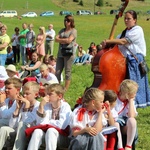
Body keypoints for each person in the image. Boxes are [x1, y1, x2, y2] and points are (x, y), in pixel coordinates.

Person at [100, 10, 150, 108]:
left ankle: (138, 103)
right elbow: (117, 41)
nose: (126, 20)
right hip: (125, 61)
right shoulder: (125, 31)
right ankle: (126, 102)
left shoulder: (137, 29)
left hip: (135, 60)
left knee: (134, 82)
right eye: (125, 18)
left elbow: (123, 41)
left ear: (135, 20)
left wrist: (109, 40)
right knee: (127, 83)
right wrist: (106, 44)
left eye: (129, 19)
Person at [26, 83, 72, 150]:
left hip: (63, 137)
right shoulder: (46, 105)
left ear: (60, 96)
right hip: (48, 135)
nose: (47, 96)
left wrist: (48, 123)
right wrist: (41, 106)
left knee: (51, 130)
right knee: (37, 131)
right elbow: (40, 123)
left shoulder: (65, 106)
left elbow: (61, 125)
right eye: (47, 94)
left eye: (50, 94)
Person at [0, 81, 40, 150]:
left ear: (36, 95)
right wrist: (17, 109)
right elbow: (12, 125)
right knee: (4, 129)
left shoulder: (38, 106)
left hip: (31, 134)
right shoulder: (22, 104)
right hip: (18, 132)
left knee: (22, 124)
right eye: (24, 93)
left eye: (27, 94)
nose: (24, 96)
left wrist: (26, 109)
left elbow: (27, 123)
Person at [115, 79, 138, 150]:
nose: (135, 94)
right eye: (134, 92)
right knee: (116, 124)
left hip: (125, 125)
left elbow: (131, 116)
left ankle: (128, 146)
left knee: (132, 121)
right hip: (116, 124)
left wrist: (130, 101)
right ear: (127, 93)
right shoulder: (115, 99)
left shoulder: (130, 101)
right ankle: (120, 147)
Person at [55, 15, 77, 91]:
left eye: (67, 21)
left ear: (71, 22)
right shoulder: (62, 30)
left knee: (67, 71)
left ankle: (65, 89)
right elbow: (56, 39)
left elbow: (69, 40)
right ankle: (57, 87)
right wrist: (65, 40)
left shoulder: (73, 31)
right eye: (65, 20)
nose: (65, 22)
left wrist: (61, 40)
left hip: (69, 53)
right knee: (57, 71)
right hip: (60, 53)